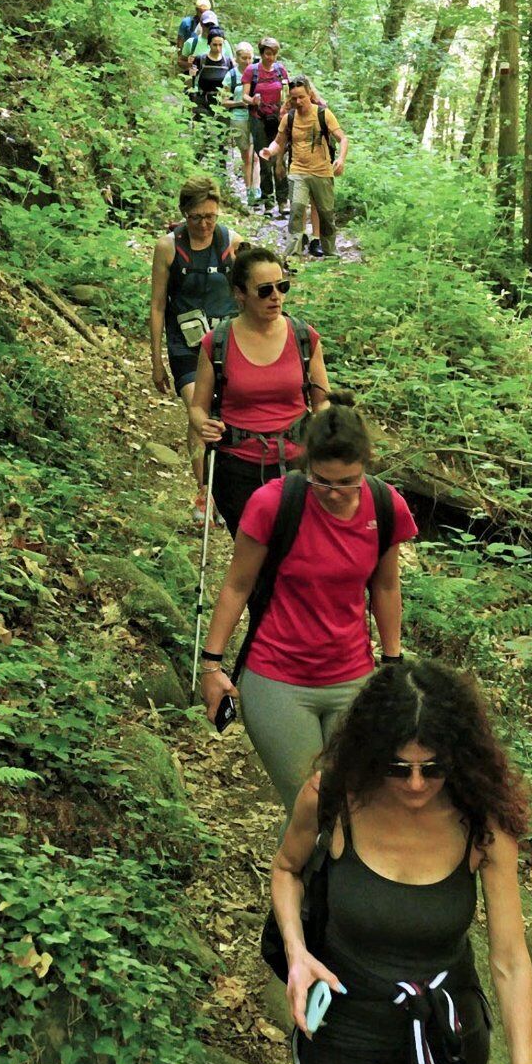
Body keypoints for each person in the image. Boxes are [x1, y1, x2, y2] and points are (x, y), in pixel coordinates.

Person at [271, 659, 532, 1064]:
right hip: (346, 1031)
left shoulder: (483, 824)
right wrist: (297, 953)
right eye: (398, 767)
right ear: (372, 753)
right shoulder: (332, 798)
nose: (416, 784)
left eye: (433, 768)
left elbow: (510, 959)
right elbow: (286, 870)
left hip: (448, 1034)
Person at [199, 394, 418, 816]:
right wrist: (212, 666)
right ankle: (291, 881)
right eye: (323, 481)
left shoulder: (386, 506)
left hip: (352, 678)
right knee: (310, 806)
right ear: (305, 465)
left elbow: (386, 589)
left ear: (365, 468)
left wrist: (392, 664)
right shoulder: (273, 503)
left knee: (351, 804)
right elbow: (236, 585)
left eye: (348, 482)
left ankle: (316, 882)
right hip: (277, 677)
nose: (335, 493)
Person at [188, 246, 330, 536]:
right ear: (240, 294)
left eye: (282, 286)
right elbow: (198, 405)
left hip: (296, 464)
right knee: (252, 550)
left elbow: (322, 401)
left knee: (295, 547)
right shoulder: (217, 343)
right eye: (264, 290)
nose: (276, 296)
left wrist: (322, 431)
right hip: (237, 467)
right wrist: (204, 424)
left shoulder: (305, 337)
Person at [150, 176, 243, 524]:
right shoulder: (168, 247)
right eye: (196, 217)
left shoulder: (233, 243)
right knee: (197, 409)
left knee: (223, 415)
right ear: (183, 215)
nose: (204, 224)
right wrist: (156, 359)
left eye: (210, 216)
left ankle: (222, 489)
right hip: (186, 346)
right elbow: (158, 304)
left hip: (224, 344)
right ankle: (206, 491)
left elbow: (248, 293)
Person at [262, 76, 347, 260]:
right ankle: (293, 256)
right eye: (294, 98)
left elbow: (343, 138)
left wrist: (341, 158)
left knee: (326, 215)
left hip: (322, 172)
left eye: (301, 97)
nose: (298, 102)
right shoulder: (289, 118)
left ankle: (331, 254)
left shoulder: (323, 114)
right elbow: (279, 142)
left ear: (309, 94)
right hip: (298, 171)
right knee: (297, 212)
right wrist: (269, 151)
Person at [243, 38, 290, 215]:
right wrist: (253, 100)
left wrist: (286, 107)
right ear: (262, 53)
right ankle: (268, 202)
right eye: (268, 54)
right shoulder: (252, 71)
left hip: (278, 119)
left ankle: (283, 201)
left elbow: (287, 92)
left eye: (274, 54)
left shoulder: (280, 70)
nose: (271, 57)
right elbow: (244, 97)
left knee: (279, 159)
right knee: (264, 160)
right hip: (259, 119)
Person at [222, 42, 256, 206]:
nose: (248, 61)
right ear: (237, 58)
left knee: (256, 156)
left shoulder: (256, 73)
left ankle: (255, 191)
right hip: (238, 118)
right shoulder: (231, 75)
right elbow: (223, 101)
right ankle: (249, 190)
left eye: (250, 58)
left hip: (256, 117)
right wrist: (239, 103)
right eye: (244, 58)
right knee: (247, 156)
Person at [184, 24, 234, 134]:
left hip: (221, 103)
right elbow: (189, 82)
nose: (218, 48)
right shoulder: (200, 60)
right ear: (209, 44)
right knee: (203, 133)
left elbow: (234, 83)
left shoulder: (228, 62)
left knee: (219, 136)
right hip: (202, 102)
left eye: (220, 45)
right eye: (214, 45)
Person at [176, 0, 211, 65]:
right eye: (201, 12)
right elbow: (180, 41)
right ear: (197, 10)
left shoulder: (211, 24)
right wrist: (182, 58)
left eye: (205, 12)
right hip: (188, 55)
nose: (203, 14)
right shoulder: (186, 22)